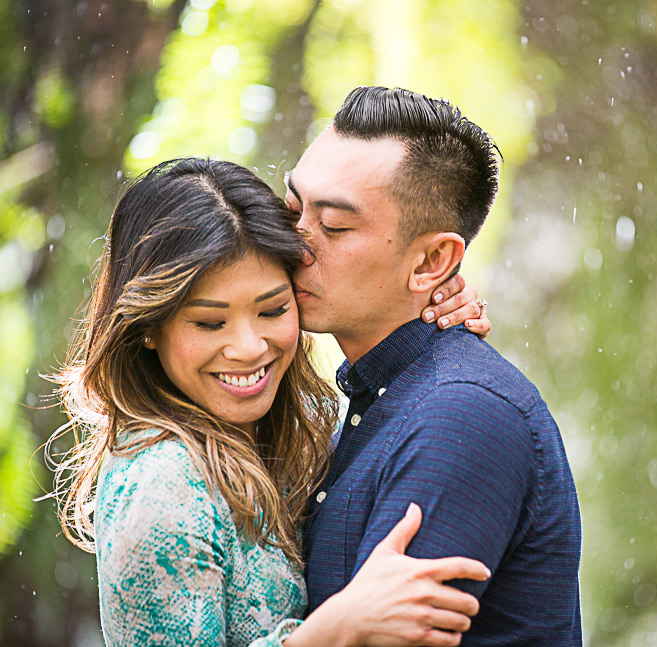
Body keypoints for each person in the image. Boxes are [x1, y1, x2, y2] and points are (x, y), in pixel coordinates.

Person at [48, 157, 495, 647]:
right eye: (209, 322)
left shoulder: (292, 429)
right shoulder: (163, 486)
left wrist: (427, 295)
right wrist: (335, 630)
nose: (249, 348)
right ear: (150, 326)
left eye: (272, 310)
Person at [287, 86, 583, 645]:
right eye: (294, 208)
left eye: (333, 226)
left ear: (431, 261)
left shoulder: (460, 417)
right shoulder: (370, 401)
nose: (295, 243)